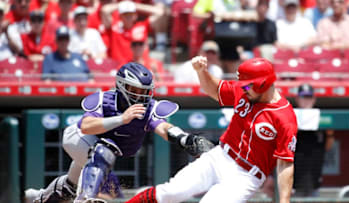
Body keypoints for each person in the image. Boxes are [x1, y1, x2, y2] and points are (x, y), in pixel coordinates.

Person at [34, 61, 214, 202]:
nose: (140, 96)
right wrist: (122, 119)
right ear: (121, 86)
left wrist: (184, 138)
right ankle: (85, 199)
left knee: (69, 188)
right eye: (135, 90)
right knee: (104, 152)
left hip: (95, 151)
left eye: (144, 91)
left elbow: (163, 127)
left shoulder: (148, 108)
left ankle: (40, 198)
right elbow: (86, 126)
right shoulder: (106, 100)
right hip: (79, 138)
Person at [126, 56, 298, 203]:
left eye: (247, 85)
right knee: (170, 192)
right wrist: (201, 71)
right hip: (220, 155)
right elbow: (214, 90)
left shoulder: (284, 117)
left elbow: (285, 162)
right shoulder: (245, 91)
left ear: (263, 84)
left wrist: (284, 200)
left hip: (246, 175)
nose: (243, 88)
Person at [293, 83, 335, 197]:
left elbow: (328, 147)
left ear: (314, 98)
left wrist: (330, 134)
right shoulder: (290, 116)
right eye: (303, 97)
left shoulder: (320, 117)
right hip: (293, 180)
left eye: (309, 97)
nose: (306, 100)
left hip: (314, 177)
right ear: (297, 98)